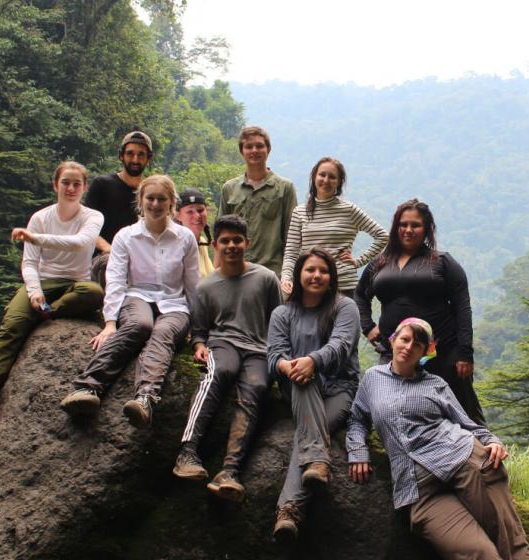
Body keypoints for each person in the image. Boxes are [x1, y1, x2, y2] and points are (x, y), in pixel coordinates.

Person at [347, 318, 529, 560]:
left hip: (465, 460)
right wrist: (357, 451)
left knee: (507, 539)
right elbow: (358, 418)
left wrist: (491, 441)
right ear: (393, 340)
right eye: (404, 339)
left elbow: (466, 423)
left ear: (425, 352)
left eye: (417, 344)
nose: (408, 347)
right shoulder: (373, 379)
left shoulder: (435, 384)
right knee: (474, 556)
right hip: (418, 489)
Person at [0, 161, 105, 421]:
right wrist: (34, 292)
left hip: (75, 282)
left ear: (84, 188)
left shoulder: (92, 217)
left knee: (94, 292)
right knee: (12, 324)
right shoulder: (40, 218)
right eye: (66, 183)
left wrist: (34, 237)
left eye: (77, 184)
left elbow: (80, 244)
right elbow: (29, 263)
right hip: (44, 281)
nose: (71, 188)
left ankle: (46, 315)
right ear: (55, 185)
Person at [60, 175, 199, 428]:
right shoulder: (127, 236)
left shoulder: (185, 238)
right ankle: (88, 387)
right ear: (141, 201)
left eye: (161, 199)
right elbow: (115, 281)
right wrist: (110, 322)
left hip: (175, 303)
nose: (155, 204)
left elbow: (192, 285)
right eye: (150, 198)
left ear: (171, 203)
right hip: (137, 296)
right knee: (140, 325)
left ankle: (145, 398)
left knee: (164, 332)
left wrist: (197, 328)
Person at [173, 215, 282, 502]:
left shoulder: (266, 278)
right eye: (225, 241)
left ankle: (229, 472)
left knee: (257, 387)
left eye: (237, 240)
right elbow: (200, 328)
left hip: (259, 348)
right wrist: (198, 344)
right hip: (223, 343)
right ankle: (187, 452)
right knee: (219, 372)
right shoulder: (206, 286)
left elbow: (277, 321)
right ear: (216, 245)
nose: (231, 246)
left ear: (247, 242)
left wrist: (278, 353)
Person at [354, 199, 485, 424]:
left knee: (460, 408)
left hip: (444, 351)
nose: (408, 230)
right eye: (403, 224)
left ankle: (486, 452)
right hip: (395, 351)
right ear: (395, 227)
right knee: (389, 405)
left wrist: (465, 353)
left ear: (427, 229)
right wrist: (368, 326)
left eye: (415, 225)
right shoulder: (380, 263)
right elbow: (360, 295)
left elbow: (462, 307)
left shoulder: (442, 262)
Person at [268, 249, 361, 542]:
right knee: (301, 379)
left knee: (307, 432)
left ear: (332, 276)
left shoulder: (344, 307)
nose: (316, 275)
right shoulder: (282, 313)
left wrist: (312, 361)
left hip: (338, 390)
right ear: (299, 275)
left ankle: (288, 511)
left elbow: (341, 346)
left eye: (323, 270)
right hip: (299, 388)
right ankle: (318, 461)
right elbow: (273, 356)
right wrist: (288, 365)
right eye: (310, 269)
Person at [280, 157, 387, 297]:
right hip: (311, 285)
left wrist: (358, 261)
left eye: (332, 177)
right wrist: (286, 277)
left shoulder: (349, 210)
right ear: (314, 177)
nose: (326, 180)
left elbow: (382, 236)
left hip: (343, 286)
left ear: (339, 182)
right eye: (322, 175)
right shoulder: (300, 212)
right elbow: (291, 252)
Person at [218, 126, 297, 277]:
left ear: (268, 149)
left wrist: (289, 275)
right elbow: (221, 233)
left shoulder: (284, 188)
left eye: (260, 146)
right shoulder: (229, 188)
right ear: (242, 151)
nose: (254, 150)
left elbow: (292, 236)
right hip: (236, 271)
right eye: (249, 147)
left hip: (273, 273)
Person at [87, 130, 153, 287]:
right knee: (112, 264)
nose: (135, 159)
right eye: (130, 154)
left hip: (141, 258)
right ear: (121, 155)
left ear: (148, 159)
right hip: (105, 257)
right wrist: (110, 249)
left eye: (141, 155)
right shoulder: (102, 185)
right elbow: (86, 226)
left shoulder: (151, 193)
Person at [176, 188, 215, 278]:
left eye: (200, 210)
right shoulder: (175, 245)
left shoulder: (202, 242)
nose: (197, 216)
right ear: (178, 216)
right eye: (190, 212)